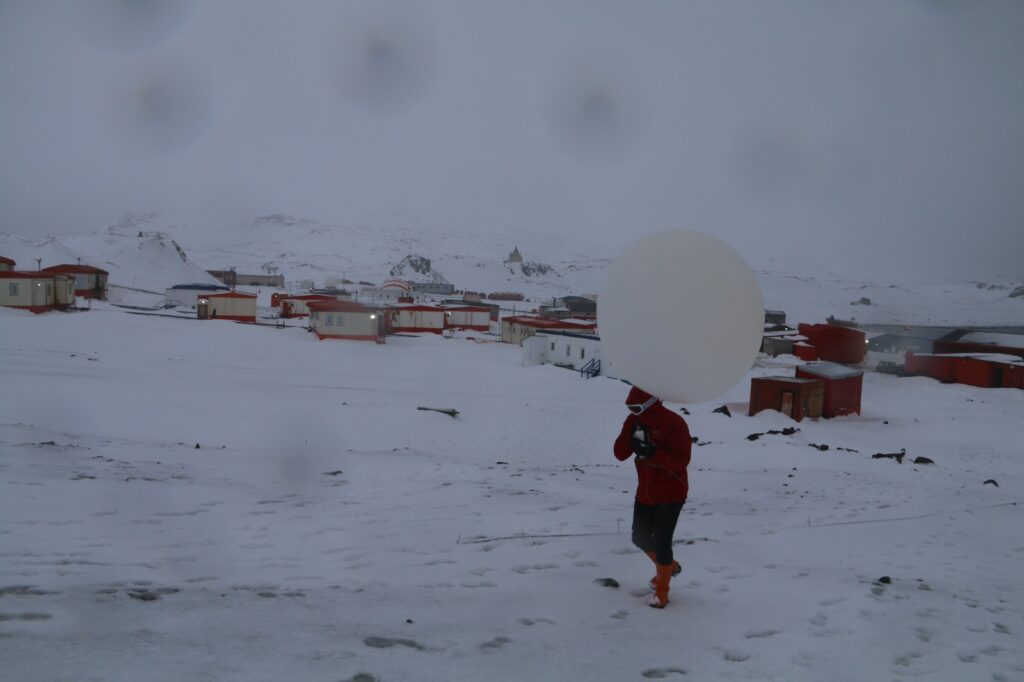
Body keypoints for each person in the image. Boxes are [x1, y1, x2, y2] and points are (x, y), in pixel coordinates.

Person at [613, 385, 692, 608]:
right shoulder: (633, 421)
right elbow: (619, 454)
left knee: (662, 542)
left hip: (671, 492)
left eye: (636, 407)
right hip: (646, 491)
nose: (633, 412)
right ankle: (669, 567)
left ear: (649, 403)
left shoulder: (674, 423)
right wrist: (630, 435)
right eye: (630, 408)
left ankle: (662, 592)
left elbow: (682, 461)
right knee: (639, 538)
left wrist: (653, 453)